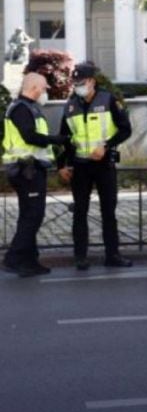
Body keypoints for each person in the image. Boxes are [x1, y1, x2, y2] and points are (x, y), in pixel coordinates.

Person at [57, 62, 133, 270]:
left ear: (92, 81)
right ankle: (80, 257)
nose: (77, 86)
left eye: (81, 82)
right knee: (80, 212)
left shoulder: (108, 100)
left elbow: (126, 130)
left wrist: (106, 146)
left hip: (103, 165)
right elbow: (65, 138)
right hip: (80, 167)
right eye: (75, 83)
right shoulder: (70, 105)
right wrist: (61, 165)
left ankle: (113, 255)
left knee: (108, 212)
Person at [2, 73, 66, 277]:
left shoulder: (30, 107)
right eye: (44, 88)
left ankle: (30, 260)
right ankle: (13, 258)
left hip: (32, 169)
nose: (46, 92)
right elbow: (30, 136)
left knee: (29, 216)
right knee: (33, 216)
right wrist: (56, 140)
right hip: (25, 170)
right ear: (35, 87)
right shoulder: (21, 108)